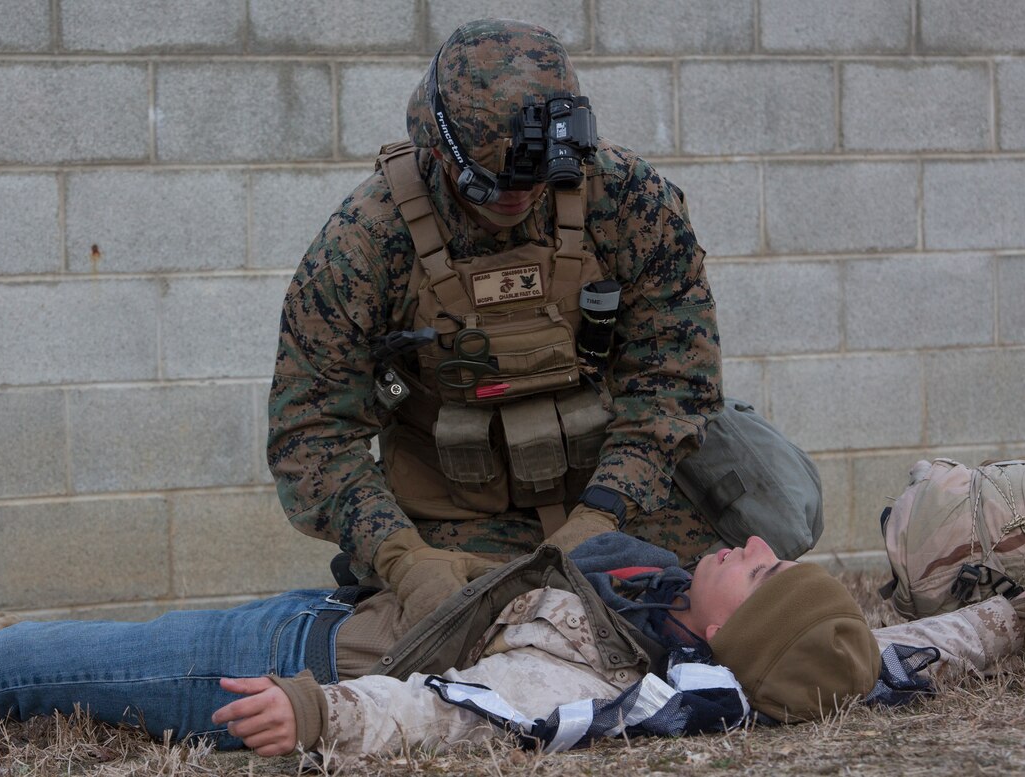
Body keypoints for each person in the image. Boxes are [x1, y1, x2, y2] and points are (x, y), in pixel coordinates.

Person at [268, 18, 728, 626]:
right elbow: (310, 434)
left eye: (535, 183)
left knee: (715, 618)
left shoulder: (626, 201)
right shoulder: (365, 242)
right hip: (457, 527)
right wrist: (404, 559)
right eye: (489, 187)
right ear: (437, 148)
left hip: (619, 501)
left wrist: (600, 516)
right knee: (458, 638)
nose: (516, 201)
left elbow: (675, 379)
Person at [0, 534, 1025, 764]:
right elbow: (897, 648)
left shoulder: (590, 677)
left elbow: (462, 712)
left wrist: (318, 713)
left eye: (753, 567)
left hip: (301, 655)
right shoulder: (748, 650)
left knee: (40, 669)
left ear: (726, 627)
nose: (749, 543)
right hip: (363, 606)